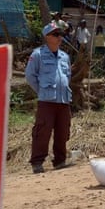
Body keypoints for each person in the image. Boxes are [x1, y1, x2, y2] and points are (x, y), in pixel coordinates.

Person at [25, 22, 73, 174]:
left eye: (61, 35)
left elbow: (68, 76)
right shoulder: (38, 55)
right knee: (42, 131)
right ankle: (37, 162)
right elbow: (30, 76)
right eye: (56, 34)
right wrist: (42, 91)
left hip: (63, 100)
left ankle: (60, 161)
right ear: (47, 37)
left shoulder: (64, 57)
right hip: (47, 100)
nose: (60, 38)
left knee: (63, 130)